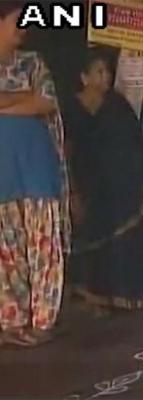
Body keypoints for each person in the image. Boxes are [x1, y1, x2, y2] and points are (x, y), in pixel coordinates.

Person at [62, 50, 143, 316]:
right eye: (98, 71)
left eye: (107, 71)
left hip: (124, 188)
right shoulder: (71, 110)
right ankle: (98, 298)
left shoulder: (118, 106)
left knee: (128, 241)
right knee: (95, 244)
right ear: (84, 77)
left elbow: (136, 146)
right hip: (91, 189)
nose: (105, 77)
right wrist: (73, 190)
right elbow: (66, 150)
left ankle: (130, 296)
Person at [0, 1, 70, 346]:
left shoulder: (32, 62)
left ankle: (42, 322)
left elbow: (45, 102)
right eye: (17, 20)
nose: (23, 26)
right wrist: (21, 96)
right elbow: (32, 99)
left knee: (43, 245)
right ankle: (12, 320)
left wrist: (6, 100)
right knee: (6, 249)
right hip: (3, 172)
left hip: (36, 166)